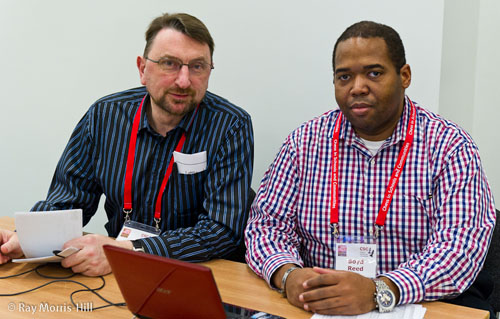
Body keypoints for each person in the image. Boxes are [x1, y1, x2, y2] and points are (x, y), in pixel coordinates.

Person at [245, 21, 496, 316]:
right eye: (344, 76)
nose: (357, 87)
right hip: (318, 306)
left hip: (417, 305)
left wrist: (381, 289)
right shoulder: (305, 142)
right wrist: (288, 275)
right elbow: (265, 227)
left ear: (404, 76)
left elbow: (459, 250)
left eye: (374, 73)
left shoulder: (450, 147)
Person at [0, 13, 254, 276]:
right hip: (116, 274)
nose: (184, 80)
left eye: (198, 66)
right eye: (170, 64)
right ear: (143, 69)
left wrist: (130, 252)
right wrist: (25, 242)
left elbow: (222, 231)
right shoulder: (105, 116)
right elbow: (69, 201)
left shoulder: (230, 125)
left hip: (196, 273)